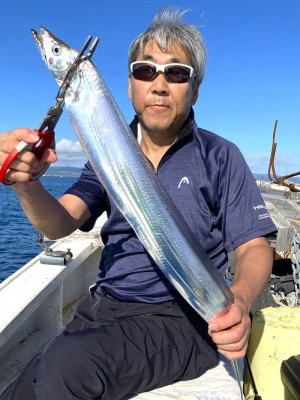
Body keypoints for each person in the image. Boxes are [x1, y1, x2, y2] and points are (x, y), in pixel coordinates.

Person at [0, 7, 276, 400]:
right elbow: (61, 223)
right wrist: (26, 186)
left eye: (177, 73)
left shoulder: (220, 155)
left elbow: (254, 246)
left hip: (182, 317)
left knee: (66, 369)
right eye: (146, 71)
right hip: (102, 308)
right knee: (22, 389)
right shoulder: (109, 154)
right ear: (129, 86)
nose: (160, 84)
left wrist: (242, 301)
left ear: (194, 90)